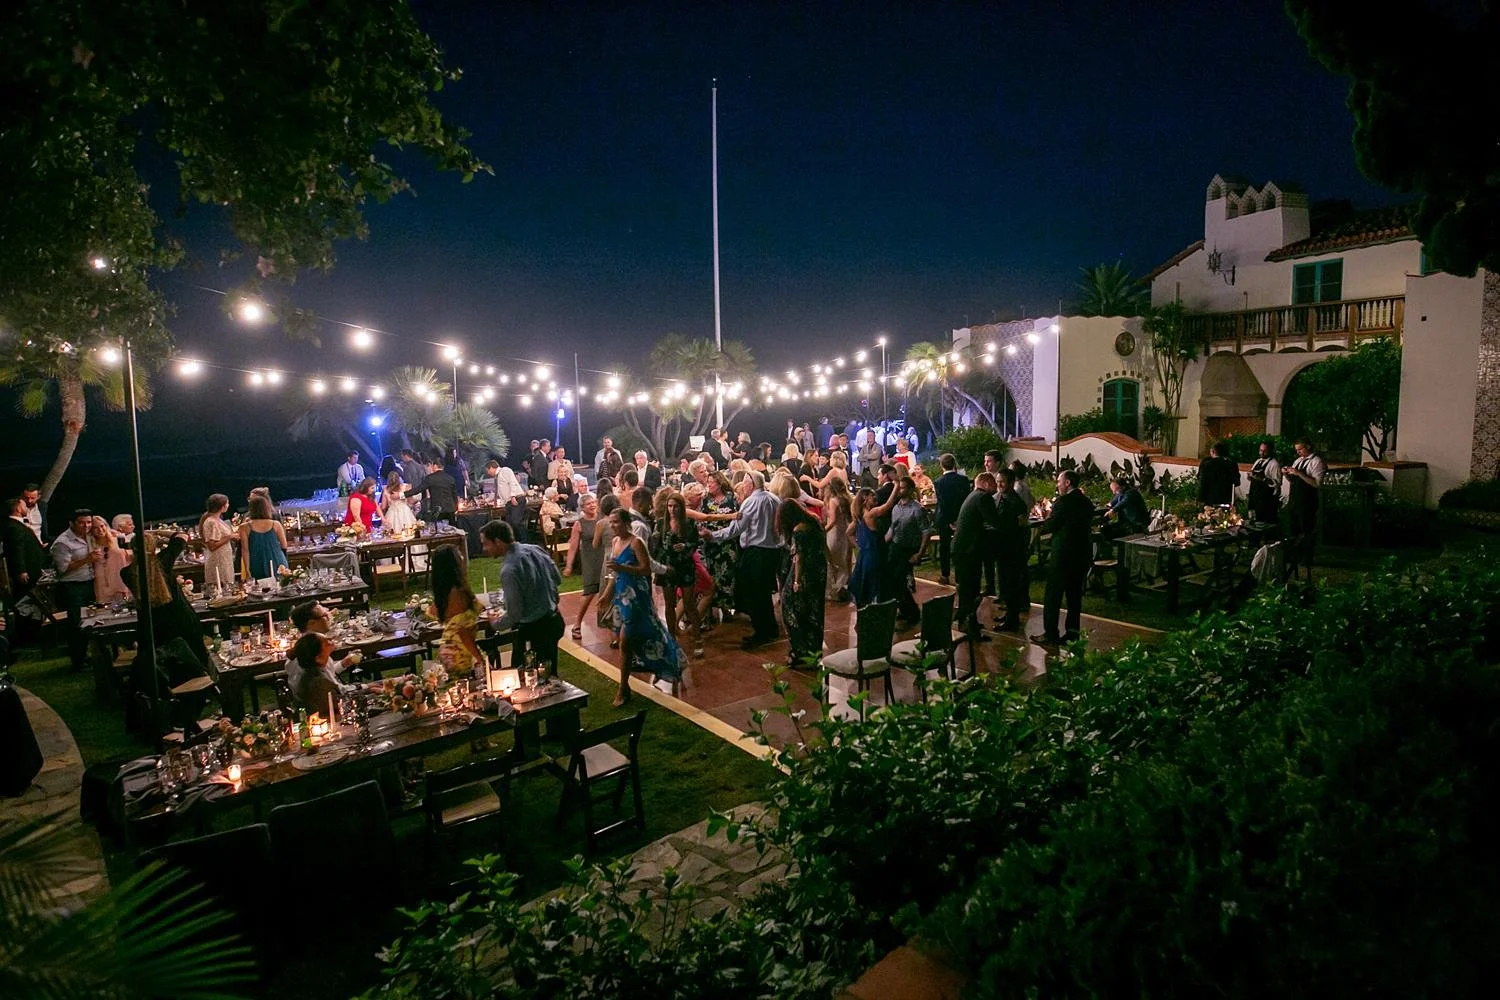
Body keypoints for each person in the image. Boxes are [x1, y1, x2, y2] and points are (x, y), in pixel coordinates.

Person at [607, 507, 686, 706]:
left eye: (616, 522)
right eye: (611, 522)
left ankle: (623, 687)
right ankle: (673, 660)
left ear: (626, 523)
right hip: (622, 595)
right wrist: (606, 595)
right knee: (646, 633)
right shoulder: (615, 542)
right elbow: (614, 573)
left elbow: (644, 569)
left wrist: (622, 568)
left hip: (637, 596)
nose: (613, 526)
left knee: (626, 642)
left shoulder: (636, 542)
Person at [703, 470, 782, 649]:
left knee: (754, 594)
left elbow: (735, 529)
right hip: (773, 551)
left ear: (751, 484)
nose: (743, 487)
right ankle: (770, 628)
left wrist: (712, 536)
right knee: (764, 593)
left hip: (756, 552)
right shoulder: (774, 498)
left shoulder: (751, 502)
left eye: (745, 483)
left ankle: (761, 632)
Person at [480, 520, 565, 672]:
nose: (484, 549)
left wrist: (495, 623)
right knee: (550, 672)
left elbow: (514, 614)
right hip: (554, 619)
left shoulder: (509, 569)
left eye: (486, 544)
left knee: (530, 676)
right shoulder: (536, 549)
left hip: (535, 630)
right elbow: (557, 579)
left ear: (498, 541)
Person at [1039, 470, 1093, 645]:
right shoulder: (1086, 502)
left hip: (1063, 554)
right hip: (1081, 553)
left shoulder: (1063, 502)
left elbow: (1051, 525)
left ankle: (1050, 633)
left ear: (1068, 483)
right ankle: (1072, 632)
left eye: (1059, 481)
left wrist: (1045, 517)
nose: (1057, 485)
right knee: (1074, 596)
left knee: (1053, 595)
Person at [652, 492, 704, 657]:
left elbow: (696, 543)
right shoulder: (660, 524)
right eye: (669, 506)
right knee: (669, 605)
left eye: (675, 506)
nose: (672, 509)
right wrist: (661, 566)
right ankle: (671, 639)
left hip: (685, 567)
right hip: (668, 568)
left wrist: (685, 546)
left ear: (681, 507)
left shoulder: (689, 523)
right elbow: (656, 547)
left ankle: (698, 639)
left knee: (689, 603)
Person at [778, 497, 827, 666]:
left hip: (805, 572)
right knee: (815, 610)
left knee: (791, 608)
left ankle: (799, 650)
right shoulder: (814, 521)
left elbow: (799, 557)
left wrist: (796, 581)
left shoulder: (799, 530)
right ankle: (814, 650)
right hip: (819, 571)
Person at [952, 472, 1002, 637]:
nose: (996, 487)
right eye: (994, 483)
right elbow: (995, 521)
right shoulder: (983, 497)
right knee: (970, 589)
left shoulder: (973, 496)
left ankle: (967, 621)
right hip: (968, 550)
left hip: (962, 549)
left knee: (967, 588)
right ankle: (969, 626)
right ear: (986, 484)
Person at [427, 545, 488, 679]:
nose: (462, 557)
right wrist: (480, 659)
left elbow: (434, 612)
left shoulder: (443, 591)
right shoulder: (457, 593)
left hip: (450, 650)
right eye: (458, 555)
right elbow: (463, 632)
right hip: (461, 652)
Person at [51, 510, 100, 670]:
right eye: (81, 522)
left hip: (89, 583)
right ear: (71, 523)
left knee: (92, 620)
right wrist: (87, 559)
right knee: (76, 624)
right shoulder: (63, 542)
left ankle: (88, 655)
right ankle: (78, 661)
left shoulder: (89, 536)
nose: (86, 526)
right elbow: (63, 568)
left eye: (88, 522)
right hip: (72, 587)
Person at [992, 469, 1031, 632]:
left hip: (1013, 549)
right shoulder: (1000, 498)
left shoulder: (1017, 502)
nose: (999, 484)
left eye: (1002, 481)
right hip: (1001, 547)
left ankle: (1012, 619)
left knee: (1012, 584)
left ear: (1010, 482)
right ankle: (1008, 613)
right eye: (997, 481)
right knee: (1004, 583)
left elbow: (1023, 528)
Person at [884, 477, 926, 624]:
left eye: (902, 488)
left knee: (899, 579)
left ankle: (913, 612)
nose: (899, 490)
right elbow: (892, 529)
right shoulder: (896, 508)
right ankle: (904, 609)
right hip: (895, 546)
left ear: (910, 490)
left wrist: (919, 553)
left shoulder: (917, 509)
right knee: (891, 580)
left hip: (909, 548)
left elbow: (926, 532)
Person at [564, 494, 606, 641]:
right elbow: (573, 547)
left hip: (605, 559)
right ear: (582, 507)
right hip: (590, 562)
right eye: (588, 503)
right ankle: (577, 624)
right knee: (589, 593)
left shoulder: (603, 518)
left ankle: (611, 625)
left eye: (593, 502)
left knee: (609, 591)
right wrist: (569, 566)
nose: (592, 505)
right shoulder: (579, 524)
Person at [1283, 438, 1326, 577]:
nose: (1298, 452)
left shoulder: (1317, 462)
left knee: (1307, 530)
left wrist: (1299, 473)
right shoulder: (1298, 461)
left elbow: (1317, 484)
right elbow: (1293, 480)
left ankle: (1306, 558)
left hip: (1308, 501)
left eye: (1300, 449)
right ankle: (1293, 556)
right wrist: (1287, 474)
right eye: (1296, 450)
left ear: (1308, 446)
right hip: (1295, 500)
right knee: (1293, 529)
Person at [933, 453, 971, 586]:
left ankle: (945, 574)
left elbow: (943, 503)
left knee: (944, 547)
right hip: (961, 516)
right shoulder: (964, 480)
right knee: (960, 546)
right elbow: (966, 499)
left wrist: (949, 520)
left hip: (945, 518)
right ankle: (960, 575)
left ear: (941, 465)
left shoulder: (939, 482)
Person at [3, 496, 46, 601]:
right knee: (24, 598)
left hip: (32, 568)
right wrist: (21, 570)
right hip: (27, 571)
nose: (27, 508)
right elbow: (17, 549)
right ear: (18, 508)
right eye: (24, 506)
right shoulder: (14, 527)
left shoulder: (17, 524)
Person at [239, 493, 289, 581]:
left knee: (259, 587)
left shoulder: (244, 527)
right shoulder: (276, 524)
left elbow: (245, 550)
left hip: (256, 561)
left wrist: (247, 569)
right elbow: (284, 545)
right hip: (277, 560)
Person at [848, 487, 882, 607]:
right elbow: (887, 505)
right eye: (872, 495)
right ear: (865, 498)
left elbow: (849, 533)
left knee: (863, 583)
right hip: (871, 555)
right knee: (871, 583)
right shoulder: (869, 515)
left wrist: (859, 546)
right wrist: (897, 485)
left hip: (864, 554)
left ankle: (864, 610)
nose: (875, 497)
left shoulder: (859, 517)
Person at [196, 494, 236, 592]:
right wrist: (229, 537)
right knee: (220, 589)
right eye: (227, 504)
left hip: (225, 559)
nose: (228, 505)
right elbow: (212, 546)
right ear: (222, 507)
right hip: (218, 561)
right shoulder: (211, 522)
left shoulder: (218, 520)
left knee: (227, 587)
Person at [823, 477, 853, 601]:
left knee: (833, 560)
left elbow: (833, 520)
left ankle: (834, 590)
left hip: (834, 533)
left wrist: (823, 531)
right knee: (844, 561)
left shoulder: (833, 501)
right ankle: (842, 587)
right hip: (844, 531)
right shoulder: (847, 499)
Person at [90, 516, 131, 603]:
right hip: (102, 585)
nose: (100, 530)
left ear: (106, 526)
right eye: (95, 528)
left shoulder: (118, 540)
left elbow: (132, 555)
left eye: (102, 526)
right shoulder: (90, 546)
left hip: (120, 582)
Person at [1247, 441, 1283, 525]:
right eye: (1260, 450)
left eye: (1265, 451)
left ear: (1271, 451)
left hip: (1266, 498)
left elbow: (1277, 483)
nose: (1262, 453)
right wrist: (1250, 477)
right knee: (1253, 519)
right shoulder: (1258, 461)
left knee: (1264, 522)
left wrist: (1263, 479)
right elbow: (1253, 475)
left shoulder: (1274, 464)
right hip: (1254, 495)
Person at [1198, 441, 1239, 508]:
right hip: (1226, 498)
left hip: (1210, 499)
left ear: (1213, 451)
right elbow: (1237, 482)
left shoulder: (1207, 465)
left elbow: (1202, 482)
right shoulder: (1231, 464)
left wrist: (1200, 499)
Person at [420, 455, 459, 523]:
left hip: (437, 510)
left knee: (438, 528)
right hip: (450, 509)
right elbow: (454, 495)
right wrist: (456, 507)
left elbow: (419, 489)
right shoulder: (450, 478)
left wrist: (403, 494)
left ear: (435, 466)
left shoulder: (430, 478)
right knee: (453, 528)